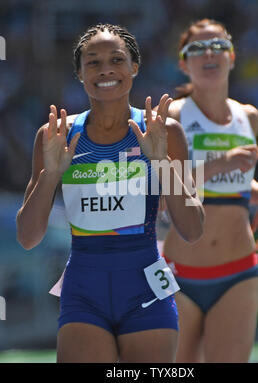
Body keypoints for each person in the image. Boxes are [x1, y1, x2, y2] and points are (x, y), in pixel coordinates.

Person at [16, 23, 205, 363]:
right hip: (83, 289)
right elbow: (28, 237)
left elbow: (192, 230)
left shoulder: (163, 131)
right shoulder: (56, 134)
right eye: (93, 62)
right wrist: (51, 175)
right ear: (79, 73)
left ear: (134, 67)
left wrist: (161, 163)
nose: (105, 69)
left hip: (147, 286)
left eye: (116, 59)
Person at [160, 19, 258, 363]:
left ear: (232, 56)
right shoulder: (173, 116)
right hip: (180, 272)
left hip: (238, 272)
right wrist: (219, 163)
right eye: (197, 47)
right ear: (183, 63)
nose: (209, 53)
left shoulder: (249, 117)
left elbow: (232, 186)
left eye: (218, 45)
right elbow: (165, 191)